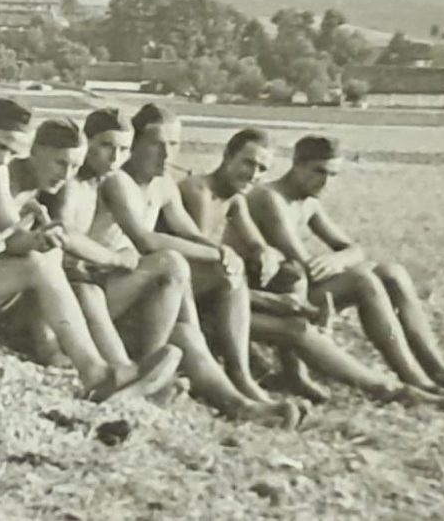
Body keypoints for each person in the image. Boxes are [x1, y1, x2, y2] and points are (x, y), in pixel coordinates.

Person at [0, 99, 181, 421]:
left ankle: (96, 373)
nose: (3, 158)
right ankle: (8, 364)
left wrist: (37, 240)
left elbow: (10, 234)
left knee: (41, 262)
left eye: (13, 152)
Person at [179, 128, 444, 406]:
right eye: (319, 172)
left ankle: (435, 375)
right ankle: (400, 385)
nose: (254, 174)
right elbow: (208, 274)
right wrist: (281, 298)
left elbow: (334, 250)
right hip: (221, 304)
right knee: (351, 287)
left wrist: (332, 259)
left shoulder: (243, 199)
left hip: (250, 295)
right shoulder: (250, 196)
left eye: (261, 168)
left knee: (391, 274)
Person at [77, 107, 303, 426]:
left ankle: (241, 399)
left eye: (175, 144)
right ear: (136, 142)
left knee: (190, 326)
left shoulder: (163, 184)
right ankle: (151, 373)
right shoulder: (118, 180)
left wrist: (223, 253)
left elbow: (189, 233)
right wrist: (216, 255)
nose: (167, 153)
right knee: (171, 262)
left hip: (126, 285)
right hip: (97, 288)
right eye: (157, 143)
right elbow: (146, 241)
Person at [246, 135, 444, 398]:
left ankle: (440, 373)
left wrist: (339, 258)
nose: (325, 182)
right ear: (296, 165)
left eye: (333, 174)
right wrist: (342, 263)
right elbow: (302, 264)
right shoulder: (270, 198)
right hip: (269, 299)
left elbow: (353, 248)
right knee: (361, 280)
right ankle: (417, 382)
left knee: (393, 273)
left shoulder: (308, 202)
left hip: (298, 288)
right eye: (318, 171)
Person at [0, 117, 183, 394]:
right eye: (60, 163)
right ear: (35, 150)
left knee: (84, 288)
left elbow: (14, 238)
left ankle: (125, 373)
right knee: (42, 261)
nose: (66, 175)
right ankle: (81, 365)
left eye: (75, 167)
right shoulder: (3, 178)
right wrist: (108, 258)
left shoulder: (38, 188)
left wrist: (35, 237)